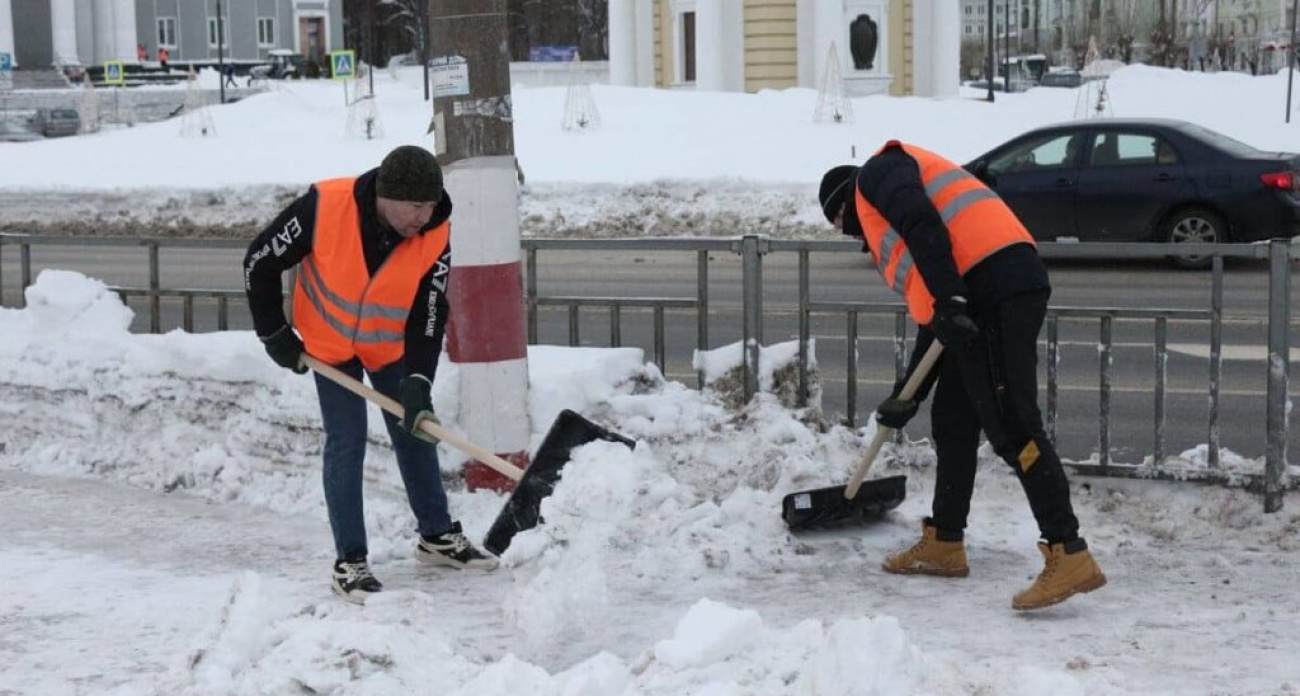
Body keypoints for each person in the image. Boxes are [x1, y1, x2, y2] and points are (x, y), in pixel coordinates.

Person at [818, 141, 1106, 611]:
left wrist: (952, 298)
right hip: (984, 284)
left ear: (842, 206)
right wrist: (906, 395)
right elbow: (936, 323)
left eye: (844, 229)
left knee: (1013, 424)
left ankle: (1068, 549)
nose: (856, 239)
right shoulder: (904, 197)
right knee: (953, 422)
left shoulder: (877, 174)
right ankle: (945, 542)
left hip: (994, 286)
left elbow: (922, 224)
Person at [243, 145, 498, 605]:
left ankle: (436, 536)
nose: (423, 217)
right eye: (415, 207)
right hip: (329, 346)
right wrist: (275, 333)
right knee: (347, 440)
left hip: (387, 347)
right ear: (387, 195)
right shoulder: (324, 207)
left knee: (419, 429)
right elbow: (259, 262)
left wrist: (419, 378)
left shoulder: (435, 231)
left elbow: (430, 309)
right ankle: (351, 562)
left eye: (429, 206)